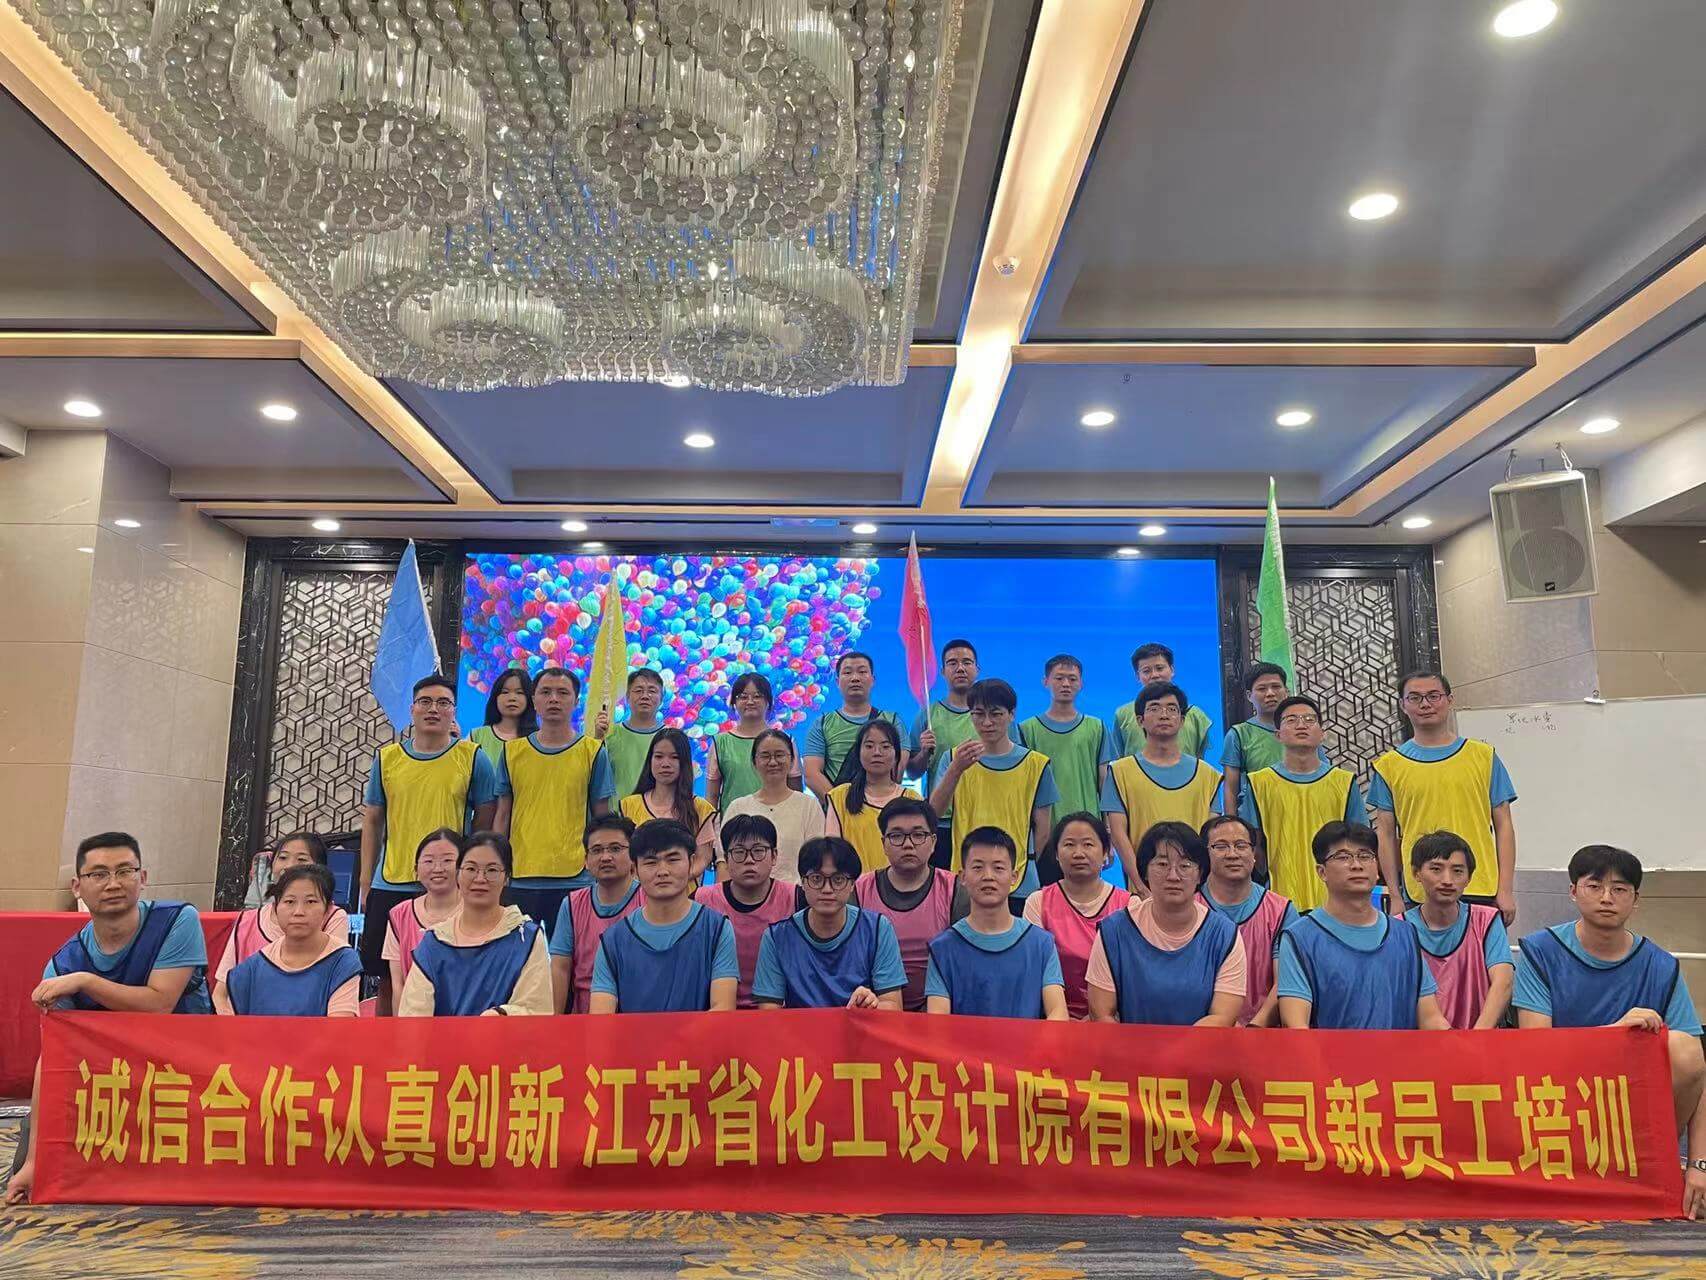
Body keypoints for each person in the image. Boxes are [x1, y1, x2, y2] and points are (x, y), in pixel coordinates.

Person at [8, 833, 212, 1204]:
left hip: (188, 1079)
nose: (113, 883)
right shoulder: (64, 964)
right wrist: (37, 1159)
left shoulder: (177, 921)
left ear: (143, 877)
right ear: (77, 886)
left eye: (124, 871)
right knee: (31, 1172)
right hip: (112, 1090)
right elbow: (52, 1058)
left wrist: (87, 982)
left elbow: (159, 1004)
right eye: (99, 874)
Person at [1513, 844, 1704, 1219]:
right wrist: (1614, 1035)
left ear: (1636, 900)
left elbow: (1697, 1071)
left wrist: (1699, 1164)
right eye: (1594, 886)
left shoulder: (1661, 966)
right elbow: (1535, 1052)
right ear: (1573, 891)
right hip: (1560, 1103)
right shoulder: (1541, 952)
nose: (1606, 898)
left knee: (1684, 1048)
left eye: (1619, 889)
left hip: (1631, 1108)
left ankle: (1656, 1160)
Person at [358, 674, 499, 1003]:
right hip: (393, 880)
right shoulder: (387, 759)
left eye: (443, 703)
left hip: (450, 885)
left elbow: (484, 820)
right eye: (425, 702)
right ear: (412, 709)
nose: (433, 709)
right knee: (388, 976)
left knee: (453, 971)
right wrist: (366, 879)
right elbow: (373, 820)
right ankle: (388, 1036)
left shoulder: (473, 758)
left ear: (453, 711)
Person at [1370, 670, 1518, 923]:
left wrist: (1505, 890)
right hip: (1420, 892)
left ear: (1450, 700)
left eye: (1433, 696)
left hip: (1481, 887)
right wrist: (1394, 894)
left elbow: (1504, 825)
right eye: (1415, 698)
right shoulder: (1388, 766)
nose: (1425, 704)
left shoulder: (1483, 757)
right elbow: (1385, 835)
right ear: (1403, 705)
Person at [1276, 821, 1449, 1030]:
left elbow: (1430, 1018)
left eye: (1365, 856)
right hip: (1326, 1053)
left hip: (1400, 1052)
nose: (1356, 865)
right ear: (1321, 872)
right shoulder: (1299, 938)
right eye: (1343, 857)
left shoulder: (1405, 934)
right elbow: (1295, 1025)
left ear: (1377, 869)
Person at [1085, 822, 1245, 1026]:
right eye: (1162, 864)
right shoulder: (1113, 931)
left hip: (1202, 1044)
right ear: (1144, 871)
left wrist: (1178, 1047)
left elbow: (1223, 1017)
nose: (1173, 876)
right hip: (1129, 1045)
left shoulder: (1225, 935)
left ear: (1200, 874)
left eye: (1185, 866)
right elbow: (1101, 1014)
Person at [492, 665, 614, 927]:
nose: (554, 699)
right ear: (534, 700)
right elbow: (502, 815)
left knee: (574, 952)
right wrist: (497, 867)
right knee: (521, 952)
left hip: (576, 877)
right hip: (521, 875)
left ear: (576, 701)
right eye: (546, 692)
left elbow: (602, 818)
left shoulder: (593, 752)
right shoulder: (512, 752)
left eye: (563, 693)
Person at [589, 820, 739, 1013]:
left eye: (673, 859)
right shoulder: (613, 940)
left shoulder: (717, 930)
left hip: (702, 1034)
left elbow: (723, 1008)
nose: (662, 871)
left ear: (691, 862)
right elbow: (601, 1017)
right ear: (634, 869)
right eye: (651, 862)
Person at [397, 832, 553, 1016]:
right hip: (440, 1036)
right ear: (458, 874)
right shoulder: (434, 943)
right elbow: (413, 1016)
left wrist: (498, 1017)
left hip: (506, 1035)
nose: (480, 879)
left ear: (507, 877)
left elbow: (536, 1010)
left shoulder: (526, 938)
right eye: (471, 869)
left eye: (492, 870)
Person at [928, 678, 1058, 899]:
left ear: (1012, 714)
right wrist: (956, 769)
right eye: (978, 714)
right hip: (966, 878)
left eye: (996, 714)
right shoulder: (953, 758)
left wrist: (1025, 860)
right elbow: (933, 814)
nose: (987, 722)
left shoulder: (1036, 764)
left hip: (1020, 879)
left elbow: (1043, 829)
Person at [924, 828, 1068, 1020]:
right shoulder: (942, 949)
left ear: (1014, 877)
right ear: (963, 877)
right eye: (978, 867)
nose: (988, 876)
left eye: (998, 868)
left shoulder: (1042, 944)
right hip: (961, 1042)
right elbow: (937, 1021)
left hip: (1029, 1041)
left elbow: (1058, 1012)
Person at [1241, 695, 1367, 911]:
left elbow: (1360, 840)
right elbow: (1254, 844)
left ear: (1322, 733)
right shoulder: (1259, 782)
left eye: (1309, 719)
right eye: (1291, 720)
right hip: (1279, 900)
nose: (1301, 725)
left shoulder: (1344, 782)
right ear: (1278, 734)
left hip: (1337, 901)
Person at [752, 837, 907, 1010]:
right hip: (798, 1028)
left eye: (838, 879)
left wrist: (870, 1006)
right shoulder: (776, 938)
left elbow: (893, 1006)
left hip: (858, 1025)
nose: (827, 889)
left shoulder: (877, 929)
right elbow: (769, 1013)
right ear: (803, 882)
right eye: (816, 879)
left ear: (852, 884)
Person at [1101, 682, 1223, 890]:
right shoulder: (1120, 772)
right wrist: (1141, 887)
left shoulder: (1207, 775)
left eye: (1172, 709)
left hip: (1195, 892)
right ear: (1140, 720)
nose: (1164, 715)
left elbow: (1212, 836)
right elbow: (1119, 835)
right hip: (1143, 891)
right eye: (1155, 708)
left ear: (1182, 720)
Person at [855, 798, 967, 1011]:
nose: (908, 844)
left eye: (918, 835)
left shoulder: (955, 890)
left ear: (933, 842)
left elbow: (962, 964)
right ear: (883, 844)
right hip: (874, 1007)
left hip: (940, 1009)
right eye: (897, 836)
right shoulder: (859, 890)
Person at [215, 865, 363, 1017]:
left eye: (311, 902)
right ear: (275, 908)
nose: (299, 912)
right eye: (290, 902)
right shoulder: (255, 965)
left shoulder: (342, 960)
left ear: (328, 909)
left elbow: (340, 1026)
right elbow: (224, 1004)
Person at [1023, 813, 1129, 1019]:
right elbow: (1034, 972)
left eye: (1088, 844)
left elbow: (1131, 978)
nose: (1078, 853)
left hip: (1113, 1022)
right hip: (1053, 1019)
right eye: (1069, 845)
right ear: (1056, 853)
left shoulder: (1128, 906)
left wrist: (1101, 1018)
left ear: (1105, 852)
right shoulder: (1037, 903)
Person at [1404, 830, 1514, 1030]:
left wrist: (1476, 1038)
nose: (1447, 880)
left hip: (1481, 1039)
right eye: (1436, 869)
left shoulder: (1487, 920)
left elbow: (1503, 982)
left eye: (1457, 871)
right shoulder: (1400, 928)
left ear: (1469, 878)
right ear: (1416, 873)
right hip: (1419, 1041)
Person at [214, 830, 348, 988]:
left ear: (319, 868)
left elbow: (333, 980)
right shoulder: (247, 920)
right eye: (283, 858)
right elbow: (222, 989)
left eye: (301, 859)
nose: (289, 866)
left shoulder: (333, 917)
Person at [1200, 814, 1296, 1027]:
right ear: (1205, 854)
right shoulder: (1191, 907)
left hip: (1264, 1032)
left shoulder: (1281, 911)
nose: (1232, 854)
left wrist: (1255, 1028)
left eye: (1241, 845)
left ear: (1254, 854)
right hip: (1201, 1030)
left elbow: (1285, 981)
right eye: (1221, 846)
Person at [696, 813, 796, 1008]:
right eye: (739, 852)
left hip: (780, 1011)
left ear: (774, 856)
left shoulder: (796, 899)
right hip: (718, 1010)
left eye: (758, 851)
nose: (749, 860)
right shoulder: (702, 900)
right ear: (726, 858)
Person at [548, 814, 645, 1013]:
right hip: (585, 1016)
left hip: (638, 1015)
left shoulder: (648, 899)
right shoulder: (572, 904)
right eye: (597, 850)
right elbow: (560, 967)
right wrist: (554, 1020)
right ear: (586, 860)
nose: (606, 857)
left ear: (633, 856)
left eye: (615, 849)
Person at [1019, 654, 1115, 836]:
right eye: (1059, 678)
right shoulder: (1027, 730)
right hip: (1044, 831)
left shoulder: (1097, 727)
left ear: (1081, 684)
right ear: (1045, 681)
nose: (1066, 684)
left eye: (1072, 679)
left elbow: (1104, 781)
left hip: (1089, 828)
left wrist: (1108, 828)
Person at [719, 729, 824, 886]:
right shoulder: (738, 807)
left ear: (792, 760)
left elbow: (817, 859)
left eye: (779, 755)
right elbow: (725, 861)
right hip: (746, 895)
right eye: (765, 756)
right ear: (754, 762)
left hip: (795, 895)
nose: (773, 762)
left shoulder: (809, 805)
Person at [802, 651, 907, 800]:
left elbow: (897, 770)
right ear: (837, 681)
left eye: (862, 672)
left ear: (873, 680)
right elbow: (811, 775)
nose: (855, 678)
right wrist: (840, 805)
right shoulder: (822, 724)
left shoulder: (893, 721)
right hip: (838, 808)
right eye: (847, 672)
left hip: (884, 807)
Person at [825, 719, 923, 873]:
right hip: (854, 884)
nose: (877, 752)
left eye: (885, 746)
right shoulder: (839, 796)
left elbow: (920, 850)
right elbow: (833, 849)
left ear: (897, 755)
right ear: (858, 753)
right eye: (869, 746)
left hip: (902, 884)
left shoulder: (912, 799)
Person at [909, 639, 983, 840]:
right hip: (942, 820)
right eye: (952, 663)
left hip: (984, 816)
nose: (960, 668)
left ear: (977, 669)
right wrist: (924, 754)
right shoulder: (928, 715)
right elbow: (912, 773)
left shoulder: (993, 716)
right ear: (942, 671)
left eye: (967, 662)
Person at [620, 728, 718, 877]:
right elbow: (625, 857)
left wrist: (672, 881)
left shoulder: (700, 808)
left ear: (684, 762)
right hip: (640, 889)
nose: (665, 764)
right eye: (659, 756)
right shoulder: (628, 806)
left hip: (685, 889)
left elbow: (703, 859)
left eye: (674, 757)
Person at [1219, 662, 1314, 814]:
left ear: (1286, 691)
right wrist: (1232, 823)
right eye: (1262, 689)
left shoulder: (1305, 729)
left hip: (1303, 811)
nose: (1270, 693)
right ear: (1249, 696)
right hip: (1257, 817)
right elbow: (1230, 789)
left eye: (1276, 687)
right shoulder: (1239, 734)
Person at [382, 827, 462, 999]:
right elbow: (398, 985)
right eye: (429, 861)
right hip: (413, 1011)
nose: (438, 868)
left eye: (447, 860)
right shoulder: (400, 915)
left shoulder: (476, 912)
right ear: (416, 869)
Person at [708, 673, 796, 813]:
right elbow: (712, 797)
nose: (750, 702)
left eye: (757, 696)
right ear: (734, 702)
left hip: (779, 821)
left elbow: (796, 791)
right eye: (743, 697)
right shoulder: (720, 743)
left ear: (768, 701)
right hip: (734, 822)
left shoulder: (785, 741)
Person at [1110, 642, 1212, 760]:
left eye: (1159, 668)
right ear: (1138, 676)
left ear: (1172, 670)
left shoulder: (1196, 716)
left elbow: (1199, 762)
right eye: (1146, 671)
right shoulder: (1123, 714)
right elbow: (1117, 760)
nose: (1154, 675)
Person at [597, 668, 667, 799]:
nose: (645, 696)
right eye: (638, 691)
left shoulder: (670, 737)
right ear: (627, 697)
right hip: (617, 810)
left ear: (661, 698)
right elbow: (596, 779)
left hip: (658, 811)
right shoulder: (609, 734)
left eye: (652, 691)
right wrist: (598, 739)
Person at [469, 668, 536, 775]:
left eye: (519, 692)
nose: (512, 698)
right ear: (495, 698)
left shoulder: (538, 738)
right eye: (505, 692)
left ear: (529, 699)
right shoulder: (476, 736)